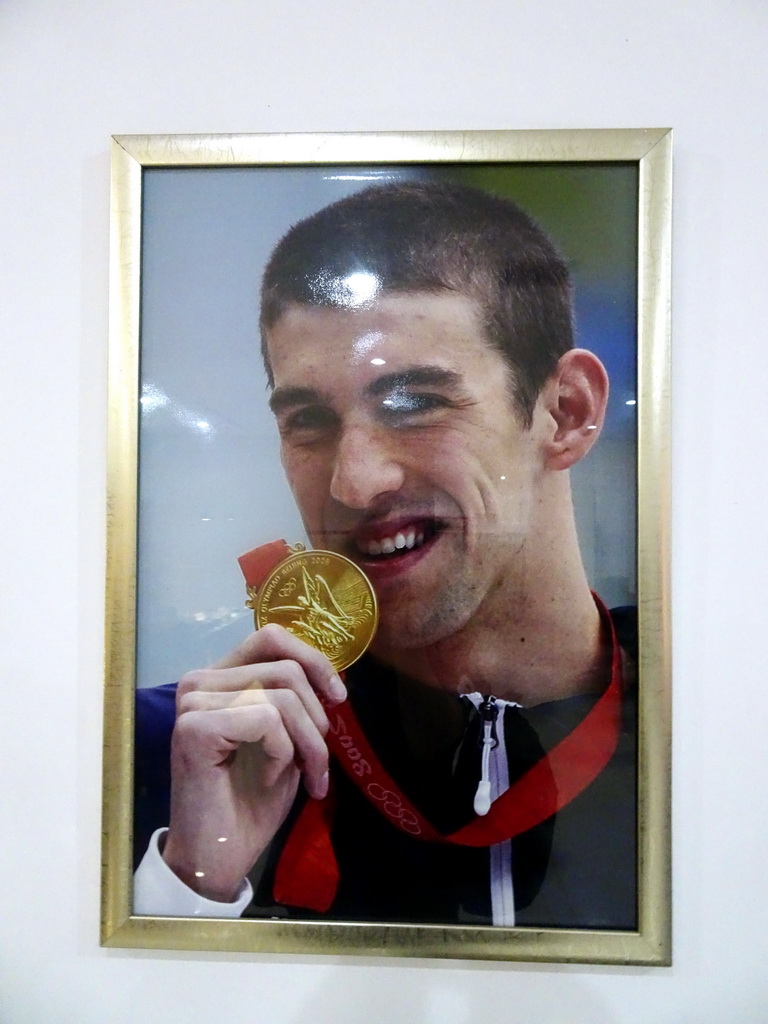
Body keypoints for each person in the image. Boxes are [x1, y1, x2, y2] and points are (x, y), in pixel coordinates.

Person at [133, 180, 637, 929]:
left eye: (414, 403)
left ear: (566, 413)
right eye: (308, 419)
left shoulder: (714, 727)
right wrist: (187, 888)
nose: (354, 481)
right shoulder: (175, 755)